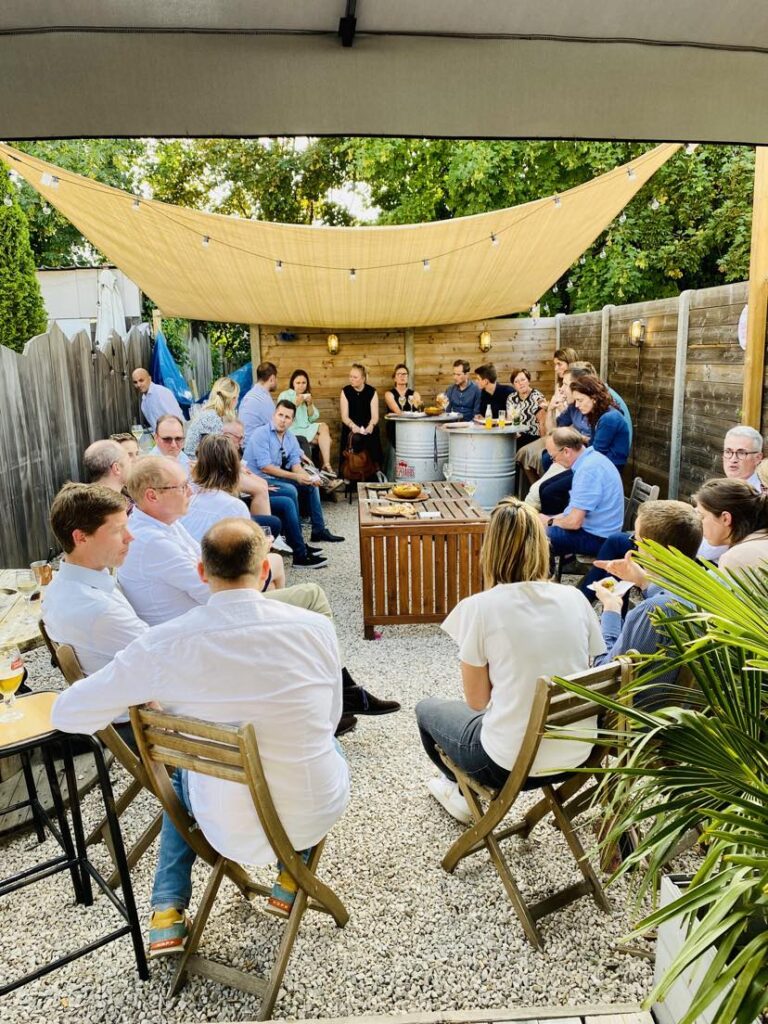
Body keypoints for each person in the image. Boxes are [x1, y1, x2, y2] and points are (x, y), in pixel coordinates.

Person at [52, 517, 351, 956]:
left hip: (221, 826)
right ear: (265, 571)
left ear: (201, 573)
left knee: (181, 779)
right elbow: (329, 720)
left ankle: (167, 911)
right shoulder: (315, 628)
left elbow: (67, 712)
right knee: (327, 744)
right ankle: (293, 874)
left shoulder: (163, 645)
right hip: (311, 809)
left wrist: (143, 700)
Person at [117, 457, 398, 728]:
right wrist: (252, 564)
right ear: (152, 496)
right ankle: (335, 692)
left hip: (207, 614)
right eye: (181, 487)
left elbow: (206, 572)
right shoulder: (153, 541)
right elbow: (215, 590)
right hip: (202, 629)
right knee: (310, 596)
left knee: (294, 599)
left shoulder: (164, 525)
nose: (189, 491)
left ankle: (329, 693)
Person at [416, 498, 605, 824]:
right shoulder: (575, 598)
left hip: (507, 764)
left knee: (426, 710)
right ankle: (461, 793)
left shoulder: (480, 607)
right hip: (578, 753)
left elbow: (477, 701)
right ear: (542, 547)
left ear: (491, 549)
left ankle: (461, 794)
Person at [42, 482, 146, 747]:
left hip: (121, 706)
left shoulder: (60, 585)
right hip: (139, 723)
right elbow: (168, 658)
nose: (129, 537)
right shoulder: (96, 609)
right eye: (117, 530)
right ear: (81, 537)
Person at [591, 500, 703, 708]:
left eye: (636, 539)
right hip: (679, 713)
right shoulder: (701, 589)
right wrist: (643, 581)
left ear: (650, 549)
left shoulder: (653, 610)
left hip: (631, 721)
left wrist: (611, 610)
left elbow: (605, 676)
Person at [181, 435, 285, 589]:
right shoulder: (234, 506)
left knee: (269, 586)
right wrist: (264, 546)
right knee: (276, 561)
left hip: (194, 574)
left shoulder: (189, 500)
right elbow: (246, 556)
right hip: (220, 579)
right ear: (233, 466)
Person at [244, 401, 344, 563]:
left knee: (310, 486)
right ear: (274, 415)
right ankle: (299, 545)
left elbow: (295, 465)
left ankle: (318, 530)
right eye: (280, 415)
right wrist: (296, 477)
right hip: (258, 483)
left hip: (275, 479)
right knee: (291, 490)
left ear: (292, 421)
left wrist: (308, 477)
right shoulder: (261, 434)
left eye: (287, 417)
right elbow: (266, 467)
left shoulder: (290, 437)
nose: (283, 420)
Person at [542, 427, 624, 559]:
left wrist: (550, 521)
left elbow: (574, 522)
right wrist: (547, 519)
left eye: (553, 457)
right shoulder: (592, 459)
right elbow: (573, 513)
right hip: (600, 531)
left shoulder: (587, 471)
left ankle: (541, 576)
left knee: (535, 535)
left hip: (598, 538)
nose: (554, 462)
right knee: (537, 527)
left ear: (567, 451)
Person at [516, 347, 578, 482]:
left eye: (559, 364)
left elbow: (571, 417)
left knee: (544, 456)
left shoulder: (576, 389)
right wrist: (549, 408)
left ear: (570, 363)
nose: (555, 368)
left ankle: (545, 485)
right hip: (553, 430)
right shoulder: (559, 385)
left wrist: (555, 407)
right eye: (555, 364)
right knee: (522, 452)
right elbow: (554, 418)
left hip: (566, 434)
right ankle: (536, 487)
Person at [693, 478, 768, 572]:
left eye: (702, 516)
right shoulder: (761, 537)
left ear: (726, 518)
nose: (698, 522)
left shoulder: (737, 558)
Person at [278, 369, 337, 477]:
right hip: (293, 429)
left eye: (304, 383)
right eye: (298, 383)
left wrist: (309, 404)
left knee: (324, 427)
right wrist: (295, 404)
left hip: (306, 428)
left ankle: (326, 464)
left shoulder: (305, 396)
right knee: (327, 440)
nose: (301, 386)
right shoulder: (285, 395)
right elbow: (282, 415)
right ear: (293, 383)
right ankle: (324, 469)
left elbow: (312, 418)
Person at [568, 375, 630, 469]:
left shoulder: (609, 418)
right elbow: (592, 446)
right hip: (598, 463)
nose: (576, 405)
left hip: (607, 468)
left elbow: (597, 452)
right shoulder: (597, 413)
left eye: (580, 400)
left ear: (594, 398)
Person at [339, 363, 383, 475]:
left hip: (367, 425)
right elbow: (344, 416)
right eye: (350, 376)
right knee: (356, 438)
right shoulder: (346, 391)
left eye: (355, 377)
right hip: (351, 426)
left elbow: (375, 416)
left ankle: (374, 471)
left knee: (373, 434)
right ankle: (350, 472)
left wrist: (371, 425)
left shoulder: (371, 391)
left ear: (363, 378)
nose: (351, 379)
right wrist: (353, 426)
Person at [183, 376, 239, 456]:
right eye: (237, 397)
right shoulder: (212, 419)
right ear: (233, 399)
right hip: (198, 465)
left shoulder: (211, 414)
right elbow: (220, 455)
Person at [131, 367, 184, 432]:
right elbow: (155, 427)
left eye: (141, 380)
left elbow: (177, 418)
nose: (138, 385)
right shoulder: (143, 404)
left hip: (175, 435)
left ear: (149, 379)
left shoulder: (161, 392)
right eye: (135, 382)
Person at [240, 361, 278, 443]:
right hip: (255, 446)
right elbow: (276, 426)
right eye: (276, 378)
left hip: (245, 443)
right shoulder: (263, 398)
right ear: (272, 379)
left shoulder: (250, 394)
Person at [507, 368, 546, 448]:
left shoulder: (537, 397)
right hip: (517, 435)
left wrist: (544, 445)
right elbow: (510, 420)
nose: (520, 383)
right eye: (516, 381)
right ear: (514, 385)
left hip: (533, 437)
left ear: (528, 381)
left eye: (523, 380)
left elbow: (542, 423)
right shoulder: (511, 398)